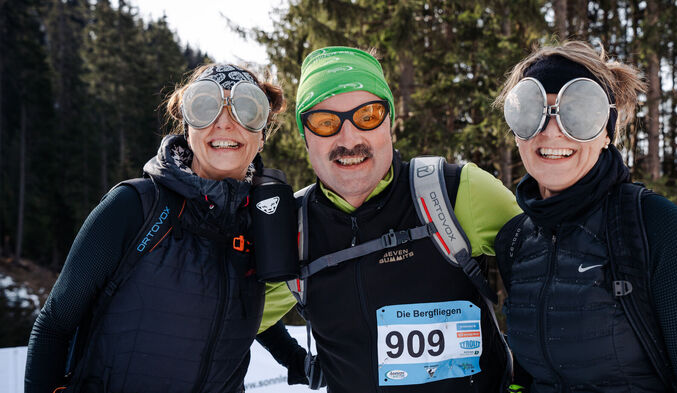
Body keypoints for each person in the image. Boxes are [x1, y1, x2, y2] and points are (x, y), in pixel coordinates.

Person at [256, 46, 522, 392]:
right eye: (325, 123)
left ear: (390, 122)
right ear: (305, 136)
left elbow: (550, 284)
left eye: (367, 116)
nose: (349, 139)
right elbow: (231, 315)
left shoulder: (456, 192)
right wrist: (297, 362)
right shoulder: (293, 229)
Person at [25, 64, 305, 392]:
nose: (226, 122)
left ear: (261, 137)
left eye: (246, 109)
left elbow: (234, 308)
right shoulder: (135, 207)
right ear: (189, 129)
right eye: (205, 107)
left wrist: (294, 359)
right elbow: (53, 324)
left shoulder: (262, 224)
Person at [492, 41, 677, 392]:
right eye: (531, 110)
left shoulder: (656, 226)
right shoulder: (515, 242)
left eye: (578, 113)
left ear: (606, 133)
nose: (552, 131)